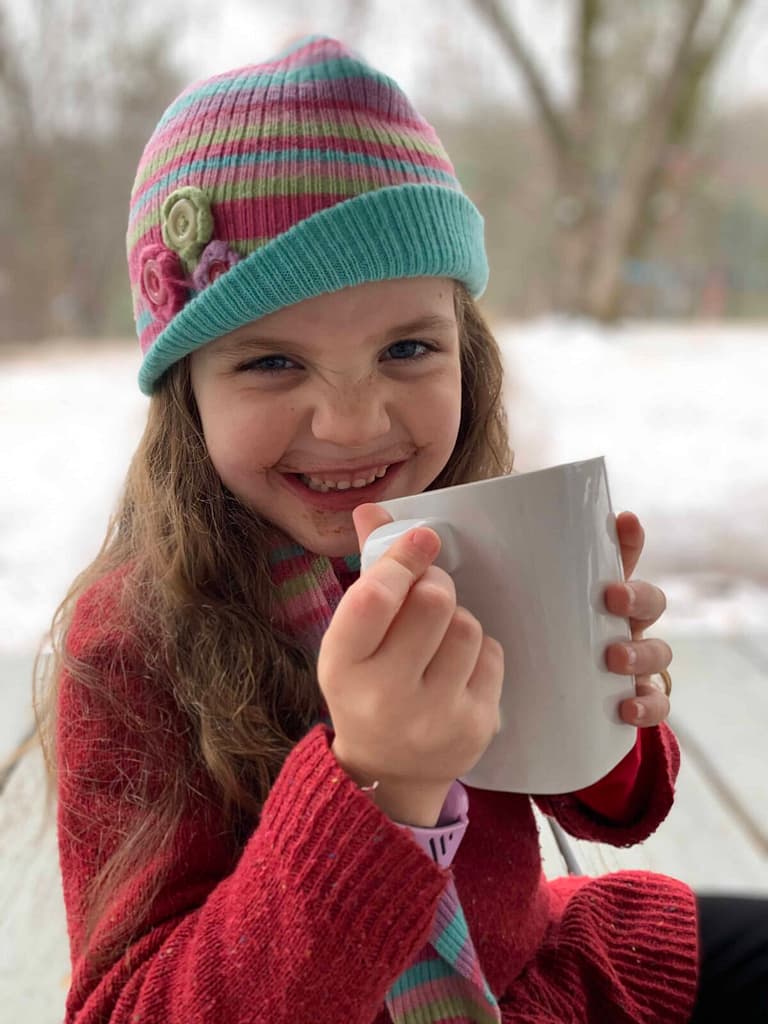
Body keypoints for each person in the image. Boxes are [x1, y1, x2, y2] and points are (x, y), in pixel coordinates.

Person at [37, 35, 767, 1024]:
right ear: (186, 395)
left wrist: (606, 697)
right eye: (271, 364)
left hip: (541, 973)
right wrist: (377, 783)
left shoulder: (468, 534)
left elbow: (614, 806)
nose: (354, 422)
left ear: (468, 351)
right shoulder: (131, 641)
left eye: (408, 347)